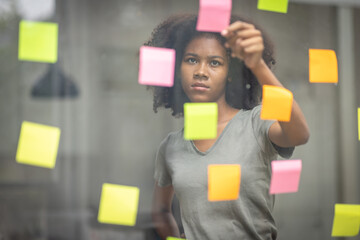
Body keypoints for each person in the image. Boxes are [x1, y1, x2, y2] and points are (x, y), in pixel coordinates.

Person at [144, 14, 309, 240]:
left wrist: (257, 65)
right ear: (178, 69)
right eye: (192, 59)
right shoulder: (171, 146)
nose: (201, 71)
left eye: (215, 62)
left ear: (229, 74)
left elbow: (299, 134)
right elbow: (160, 211)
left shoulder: (256, 122)